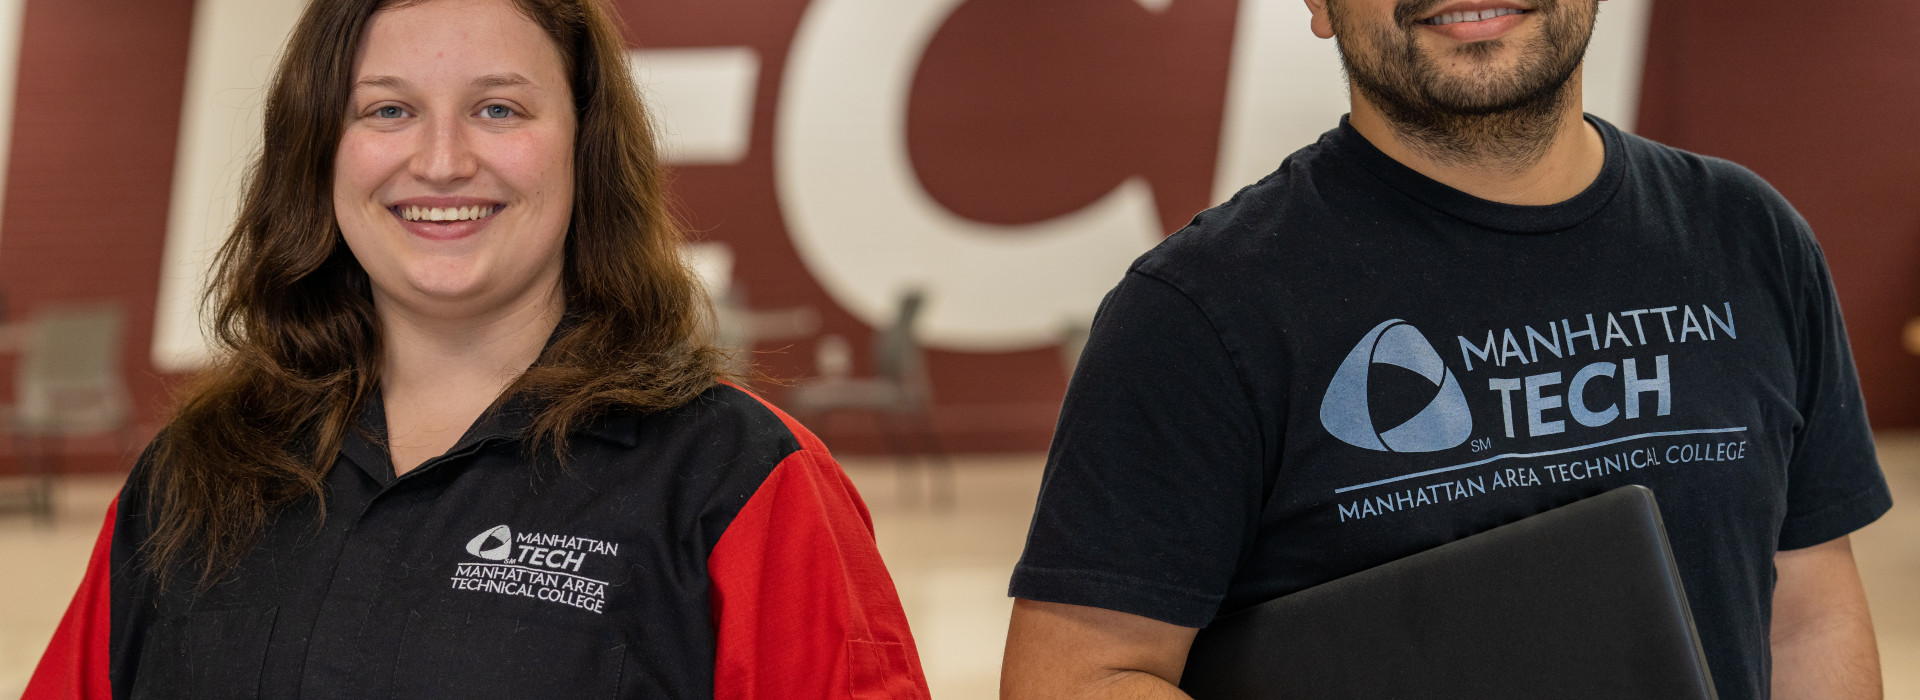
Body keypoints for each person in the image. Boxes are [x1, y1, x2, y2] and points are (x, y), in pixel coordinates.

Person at [24, 0, 929, 697]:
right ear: (318, 153)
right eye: (387, 111)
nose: (444, 160)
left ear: (585, 148)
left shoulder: (742, 483)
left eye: (498, 109)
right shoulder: (193, 475)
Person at [1001, 0, 1890, 698]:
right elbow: (1075, 677)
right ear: (1319, 3)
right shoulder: (1197, 313)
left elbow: (1807, 613)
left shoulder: (1748, 237)